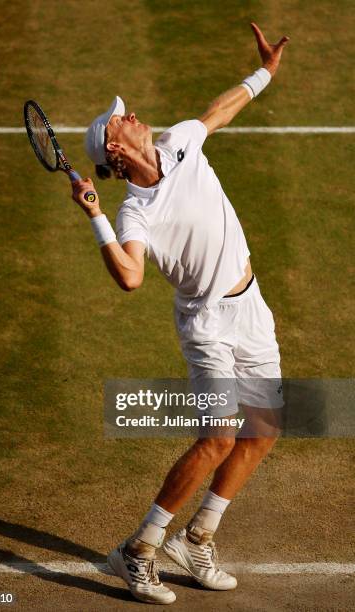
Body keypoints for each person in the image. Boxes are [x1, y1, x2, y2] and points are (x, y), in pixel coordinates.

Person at [72, 22, 289, 606]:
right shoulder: (134, 214)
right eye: (121, 118)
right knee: (219, 436)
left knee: (263, 430)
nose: (133, 113)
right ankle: (138, 551)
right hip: (207, 325)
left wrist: (263, 72)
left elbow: (220, 110)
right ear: (115, 149)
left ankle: (198, 538)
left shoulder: (179, 140)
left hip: (252, 306)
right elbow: (131, 277)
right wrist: (94, 216)